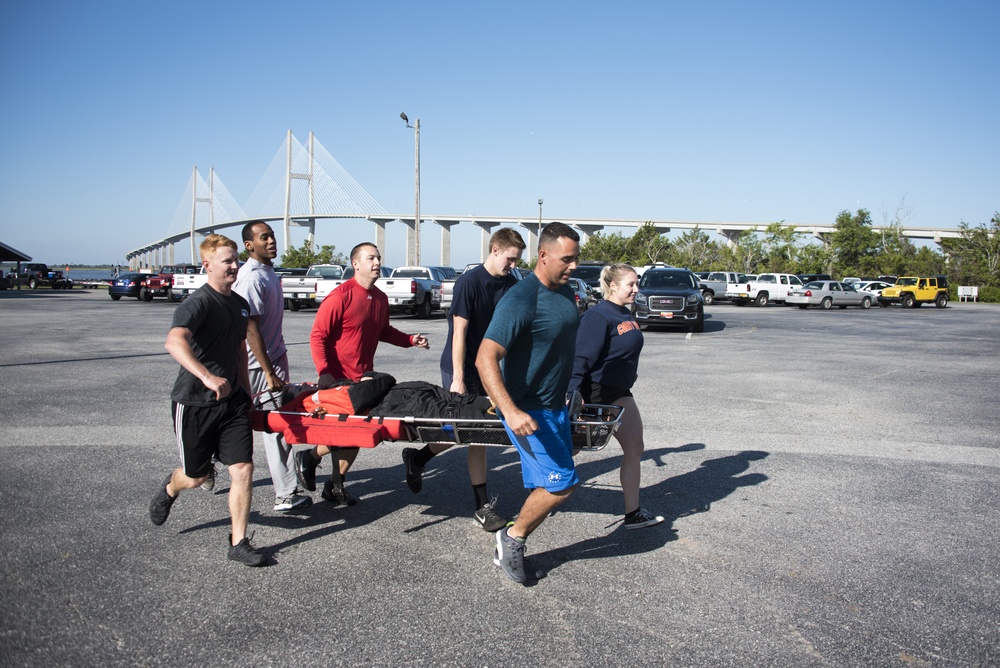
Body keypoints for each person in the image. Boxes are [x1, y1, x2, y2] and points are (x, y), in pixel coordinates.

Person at [148, 234, 266, 567]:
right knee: (196, 477)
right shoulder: (197, 303)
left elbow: (240, 352)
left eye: (236, 260)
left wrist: (247, 393)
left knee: (242, 469)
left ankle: (239, 541)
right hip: (195, 402)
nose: (234, 265)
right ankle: (171, 489)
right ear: (207, 265)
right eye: (227, 261)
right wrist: (206, 376)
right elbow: (174, 342)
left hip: (234, 404)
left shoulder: (239, 305)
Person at [476, 222, 582, 584]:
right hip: (526, 409)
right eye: (566, 259)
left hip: (554, 408)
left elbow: (561, 348)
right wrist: (509, 409)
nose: (573, 267)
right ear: (543, 256)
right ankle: (512, 539)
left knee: (551, 482)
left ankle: (513, 536)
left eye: (576, 259)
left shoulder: (566, 294)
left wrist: (573, 391)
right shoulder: (522, 299)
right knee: (562, 483)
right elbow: (485, 357)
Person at [401, 228, 526, 532]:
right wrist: (457, 378)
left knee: (478, 433)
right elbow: (459, 333)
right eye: (510, 259)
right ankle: (480, 505)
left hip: (490, 367)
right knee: (469, 431)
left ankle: (418, 460)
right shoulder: (469, 283)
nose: (513, 265)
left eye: (517, 261)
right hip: (462, 366)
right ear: (495, 250)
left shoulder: (511, 283)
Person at [296, 242, 430, 503]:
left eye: (378, 257)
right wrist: (324, 372)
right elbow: (318, 336)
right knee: (349, 432)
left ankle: (319, 468)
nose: (377, 262)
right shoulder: (341, 296)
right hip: (337, 381)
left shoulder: (379, 298)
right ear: (356, 264)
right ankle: (326, 475)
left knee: (352, 433)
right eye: (371, 258)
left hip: (362, 378)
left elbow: (384, 331)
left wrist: (411, 339)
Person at [568, 263, 664, 529]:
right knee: (570, 449)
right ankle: (541, 491)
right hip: (594, 393)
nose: (636, 289)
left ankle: (633, 513)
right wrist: (573, 393)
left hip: (620, 393)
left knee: (635, 448)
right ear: (612, 286)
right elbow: (580, 358)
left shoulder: (624, 314)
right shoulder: (597, 317)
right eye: (630, 284)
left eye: (636, 284)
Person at [232, 220, 310, 512]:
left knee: (275, 423)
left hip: (273, 358)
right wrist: (267, 371)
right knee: (269, 424)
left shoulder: (268, 273)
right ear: (249, 245)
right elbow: (249, 328)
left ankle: (286, 491)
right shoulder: (252, 278)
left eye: (273, 236)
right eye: (264, 238)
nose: (272, 241)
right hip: (256, 366)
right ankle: (285, 494)